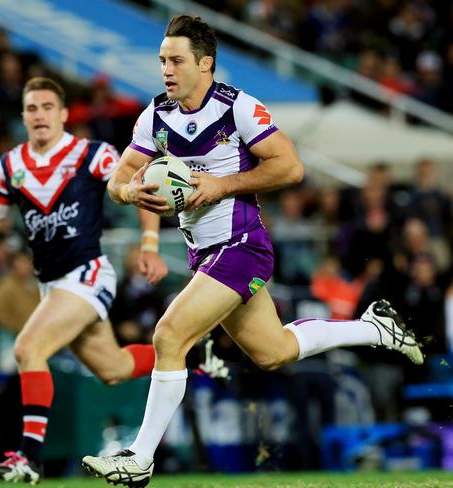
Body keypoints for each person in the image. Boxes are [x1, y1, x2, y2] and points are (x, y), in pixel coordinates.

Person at [81, 15, 423, 487]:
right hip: (204, 254)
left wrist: (222, 184)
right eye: (162, 60)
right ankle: (373, 329)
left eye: (177, 60)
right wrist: (131, 193)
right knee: (273, 351)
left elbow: (290, 166)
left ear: (206, 64)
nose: (167, 69)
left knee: (168, 336)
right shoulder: (154, 116)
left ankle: (140, 458)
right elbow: (120, 179)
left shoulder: (238, 108)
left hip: (242, 245)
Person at [0, 77, 168, 484]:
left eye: (47, 106)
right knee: (113, 369)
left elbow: (139, 186)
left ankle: (27, 458)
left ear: (63, 114)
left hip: (88, 274)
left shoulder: (91, 154)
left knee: (28, 349)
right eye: (31, 108)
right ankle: (185, 352)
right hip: (54, 286)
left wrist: (149, 244)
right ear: (23, 116)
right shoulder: (11, 165)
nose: (39, 114)